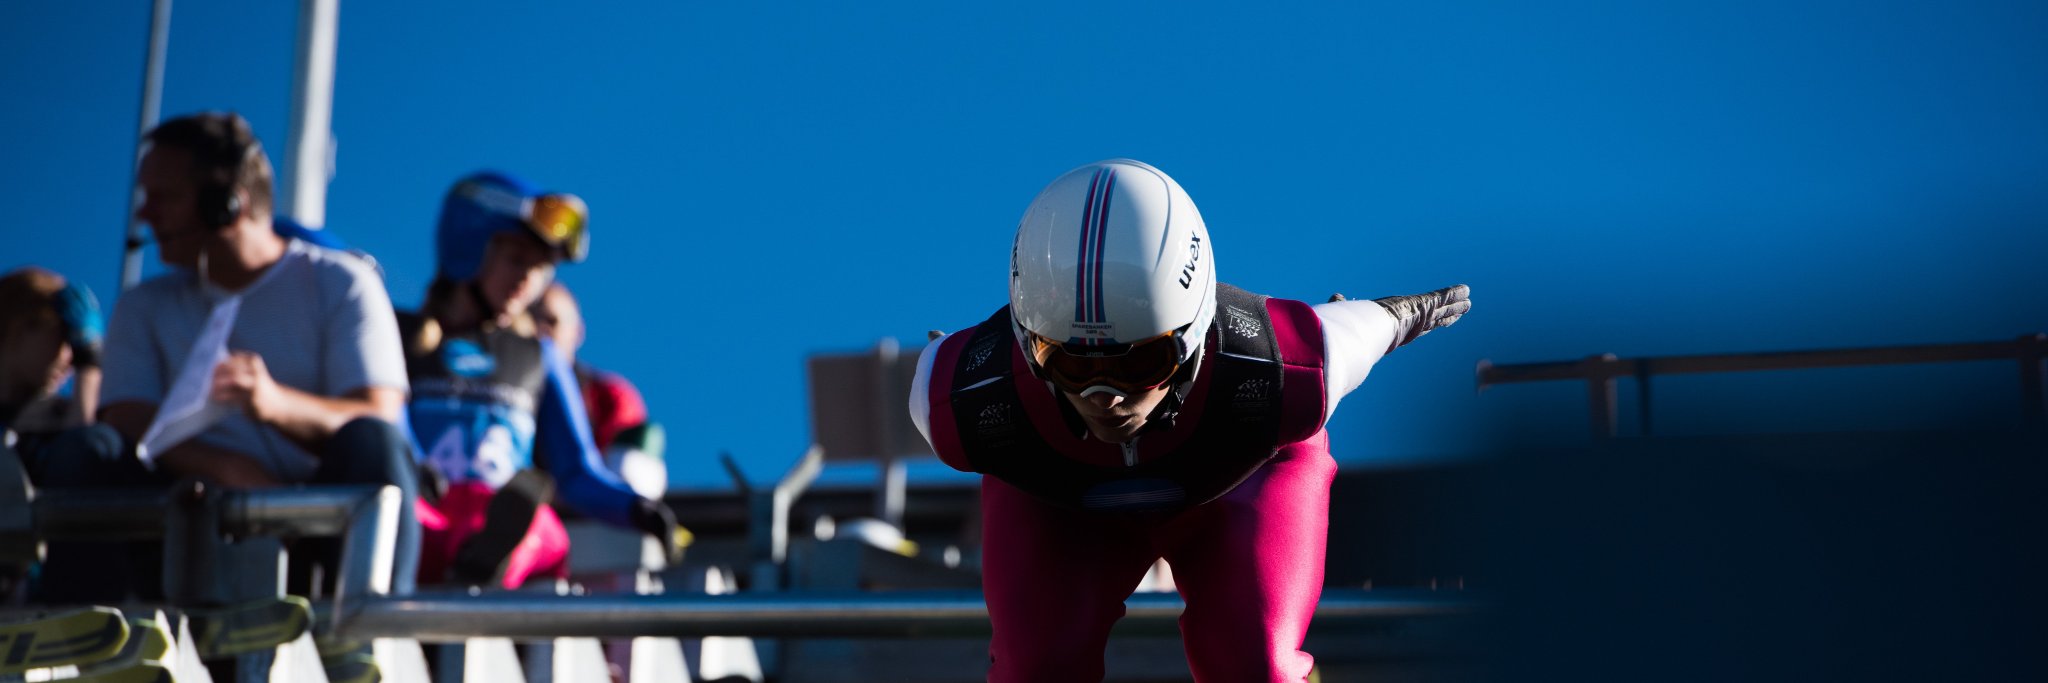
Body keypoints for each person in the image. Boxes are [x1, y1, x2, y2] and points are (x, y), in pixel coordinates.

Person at [907, 159, 1472, 681]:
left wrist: (1395, 318)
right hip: (1064, 506)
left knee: (1257, 665)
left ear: (1194, 335)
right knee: (1037, 668)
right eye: (1071, 362)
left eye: (1143, 361)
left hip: (1245, 479)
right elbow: (1356, 330)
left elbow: (1367, 328)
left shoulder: (1288, 369)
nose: (1106, 397)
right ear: (1030, 348)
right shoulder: (963, 403)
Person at [44, 111, 420, 603]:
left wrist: (273, 404)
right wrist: (230, 469)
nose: (146, 215)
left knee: (373, 443)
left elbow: (375, 414)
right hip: (183, 517)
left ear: (227, 204)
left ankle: (370, 628)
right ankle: (89, 634)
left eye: (164, 197)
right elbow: (127, 417)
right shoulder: (144, 305)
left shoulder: (340, 282)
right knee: (87, 451)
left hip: (315, 533)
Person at [403, 171, 679, 589]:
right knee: (399, 516)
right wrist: (409, 462)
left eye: (540, 269)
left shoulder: (540, 356)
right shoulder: (396, 336)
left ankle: (484, 560)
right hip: (422, 509)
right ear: (470, 246)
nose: (526, 281)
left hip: (494, 508)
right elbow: (377, 416)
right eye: (516, 260)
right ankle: (472, 565)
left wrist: (635, 509)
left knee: (539, 525)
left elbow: (577, 470)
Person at [530, 282, 668, 500]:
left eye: (551, 321)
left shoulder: (606, 394)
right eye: (531, 319)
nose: (540, 330)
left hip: (585, 511)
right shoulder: (500, 387)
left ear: (577, 331)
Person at [0, 267, 107, 458]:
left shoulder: (60, 418)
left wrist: (89, 364)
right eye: (65, 338)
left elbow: (83, 457)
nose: (71, 360)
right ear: (21, 326)